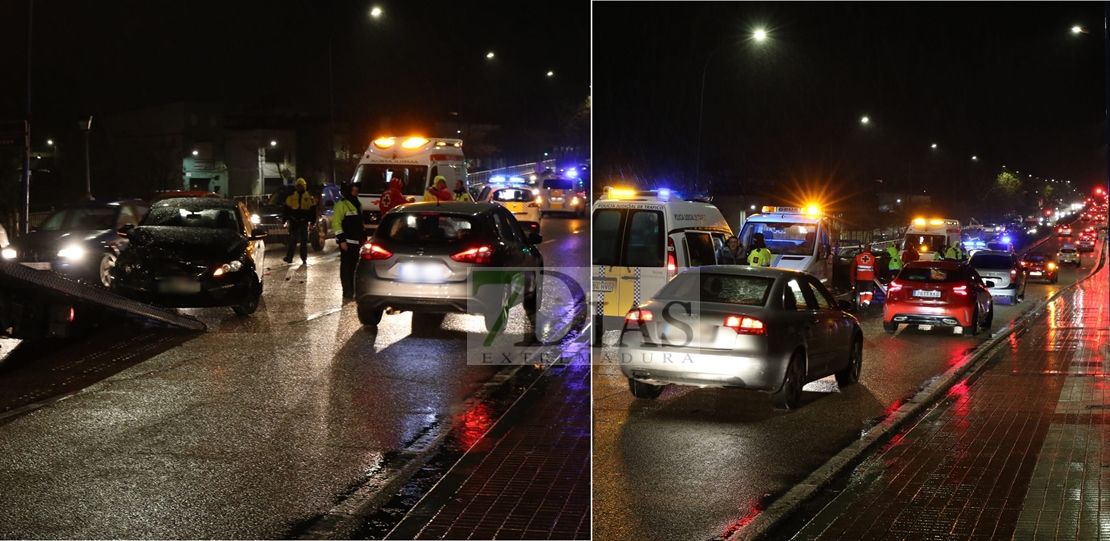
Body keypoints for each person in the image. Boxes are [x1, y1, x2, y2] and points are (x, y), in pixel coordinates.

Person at [332, 182, 365, 300]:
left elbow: (360, 224)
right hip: (346, 241)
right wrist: (341, 240)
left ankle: (353, 290)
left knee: (354, 267)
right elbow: (336, 224)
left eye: (357, 191)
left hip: (356, 242)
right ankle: (347, 291)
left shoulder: (358, 204)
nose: (355, 193)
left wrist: (363, 239)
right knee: (346, 267)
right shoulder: (341, 205)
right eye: (353, 191)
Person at [282, 178, 317, 264]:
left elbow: (313, 210)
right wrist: (284, 220)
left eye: (300, 186)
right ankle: (289, 257)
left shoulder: (309, 197)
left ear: (304, 186)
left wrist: (313, 222)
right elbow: (286, 209)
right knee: (292, 240)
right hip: (294, 220)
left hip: (303, 220)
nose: (299, 188)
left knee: (304, 240)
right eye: (297, 186)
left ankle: (304, 258)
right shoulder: (291, 196)